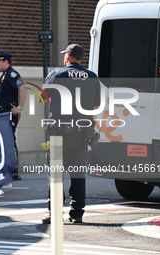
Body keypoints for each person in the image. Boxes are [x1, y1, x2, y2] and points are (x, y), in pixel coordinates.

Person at [42, 44, 100, 224]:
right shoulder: (91, 76)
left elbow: (43, 98)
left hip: (59, 133)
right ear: (81, 58)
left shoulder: (56, 74)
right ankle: (77, 214)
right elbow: (96, 106)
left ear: (68, 56)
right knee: (78, 174)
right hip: (82, 133)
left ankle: (54, 213)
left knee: (56, 174)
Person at [0, 51, 27, 180]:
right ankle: (7, 169)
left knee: (10, 141)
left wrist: (19, 107)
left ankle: (14, 170)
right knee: (5, 140)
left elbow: (22, 88)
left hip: (9, 113)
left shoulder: (12, 74)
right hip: (3, 113)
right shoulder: (5, 75)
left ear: (5, 61)